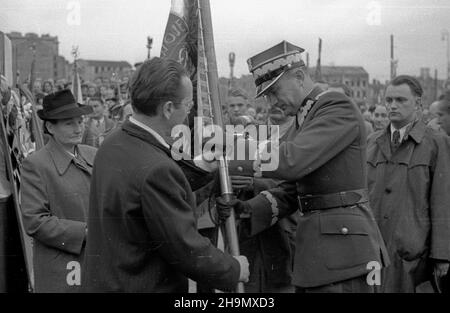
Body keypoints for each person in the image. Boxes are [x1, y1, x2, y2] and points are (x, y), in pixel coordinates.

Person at [219, 40, 389, 293]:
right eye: (267, 96)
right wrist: (247, 210)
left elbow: (291, 162)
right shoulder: (307, 117)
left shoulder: (334, 107)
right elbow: (293, 189)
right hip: (323, 252)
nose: (272, 102)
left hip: (344, 253)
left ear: (299, 76)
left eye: (275, 92)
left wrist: (231, 148)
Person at [83, 57, 249, 292]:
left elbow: (144, 188)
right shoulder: (156, 168)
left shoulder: (113, 143)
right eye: (188, 105)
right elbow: (185, 247)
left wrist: (202, 165)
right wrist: (233, 269)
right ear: (169, 108)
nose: (189, 113)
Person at [367, 75, 450, 292]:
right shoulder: (371, 142)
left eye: (401, 100)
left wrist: (441, 254)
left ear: (418, 104)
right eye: (389, 100)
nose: (393, 105)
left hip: (412, 256)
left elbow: (442, 199)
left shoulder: (436, 143)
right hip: (372, 251)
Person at [20, 89, 96, 293]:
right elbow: (35, 221)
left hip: (97, 263)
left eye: (80, 121)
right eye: (68, 123)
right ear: (50, 127)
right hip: (62, 268)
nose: (78, 128)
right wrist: (85, 232)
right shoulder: (35, 165)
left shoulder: (94, 155)